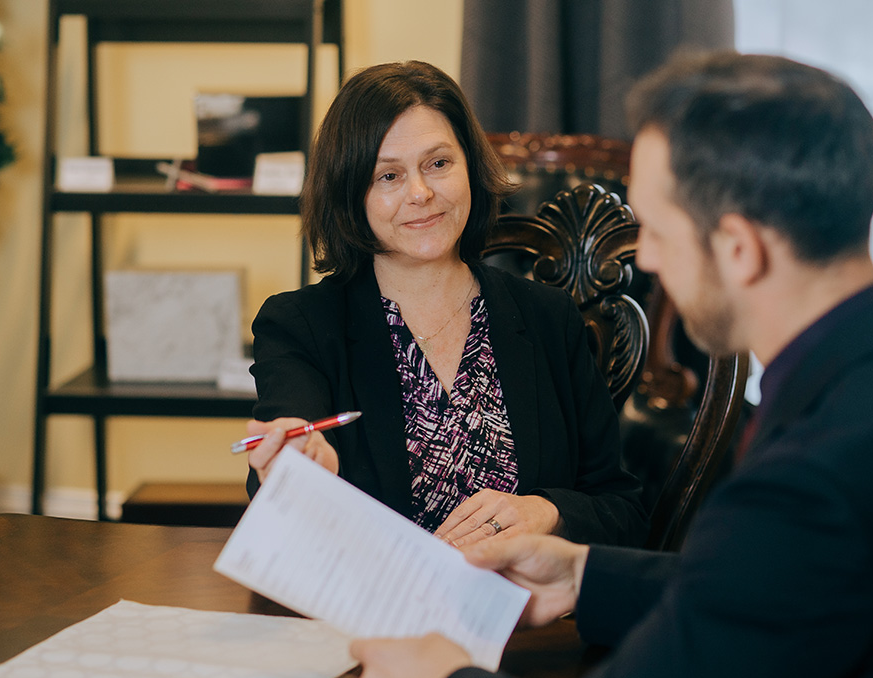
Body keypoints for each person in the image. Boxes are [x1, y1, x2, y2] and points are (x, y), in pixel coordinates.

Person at [348, 52, 873, 678]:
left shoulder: (812, 479)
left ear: (738, 248)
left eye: (658, 229)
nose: (650, 260)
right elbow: (790, 590)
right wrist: (583, 576)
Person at [245, 61, 647, 547]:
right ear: (351, 194)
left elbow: (622, 509)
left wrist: (544, 511)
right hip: (380, 615)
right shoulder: (300, 325)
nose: (421, 193)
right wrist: (299, 473)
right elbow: (284, 471)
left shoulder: (548, 317)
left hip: (527, 614)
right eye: (388, 176)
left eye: (438, 164)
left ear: (471, 168)